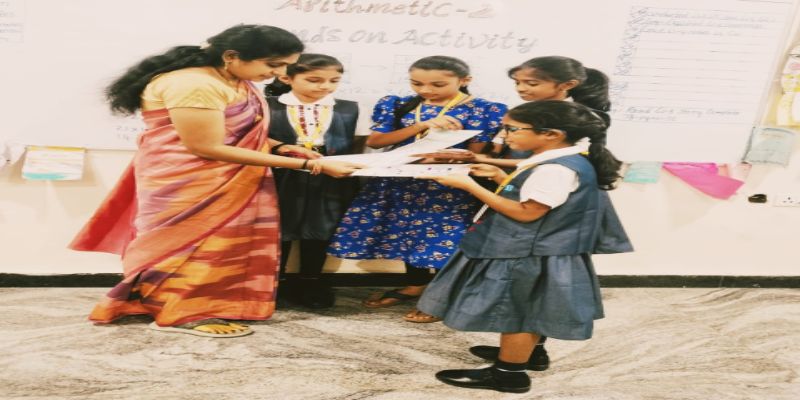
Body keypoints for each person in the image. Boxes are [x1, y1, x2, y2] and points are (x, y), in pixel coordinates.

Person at [69, 25, 360, 338]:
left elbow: (235, 133)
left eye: (286, 65)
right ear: (231, 56)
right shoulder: (194, 83)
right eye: (273, 64)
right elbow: (206, 147)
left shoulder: (236, 80)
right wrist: (307, 164)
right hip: (185, 181)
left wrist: (281, 147)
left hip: (229, 177)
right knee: (185, 244)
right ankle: (179, 312)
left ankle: (198, 304)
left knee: (218, 247)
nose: (280, 73)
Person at [417, 100, 632, 393]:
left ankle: (509, 374)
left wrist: (469, 186)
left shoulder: (554, 169)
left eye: (512, 129)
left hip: (529, 251)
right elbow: (528, 194)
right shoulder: (564, 158)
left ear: (551, 134)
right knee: (533, 306)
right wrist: (498, 177)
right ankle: (526, 354)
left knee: (518, 312)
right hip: (544, 249)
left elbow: (527, 212)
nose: (504, 135)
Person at [327, 55, 507, 323]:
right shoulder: (398, 104)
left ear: (464, 80)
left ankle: (443, 296)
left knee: (446, 239)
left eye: (437, 85)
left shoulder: (486, 109)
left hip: (449, 185)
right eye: (417, 83)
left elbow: (477, 151)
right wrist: (420, 126)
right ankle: (416, 284)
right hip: (401, 180)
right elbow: (377, 141)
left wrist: (447, 153)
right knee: (406, 233)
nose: (426, 90)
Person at [264, 53, 360, 309]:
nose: (325, 86)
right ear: (287, 78)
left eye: (333, 81)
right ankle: (275, 282)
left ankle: (310, 282)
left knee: (322, 227)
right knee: (279, 227)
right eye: (314, 80)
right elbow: (252, 138)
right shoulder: (268, 105)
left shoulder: (348, 107)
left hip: (330, 174)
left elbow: (355, 143)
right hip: (281, 172)